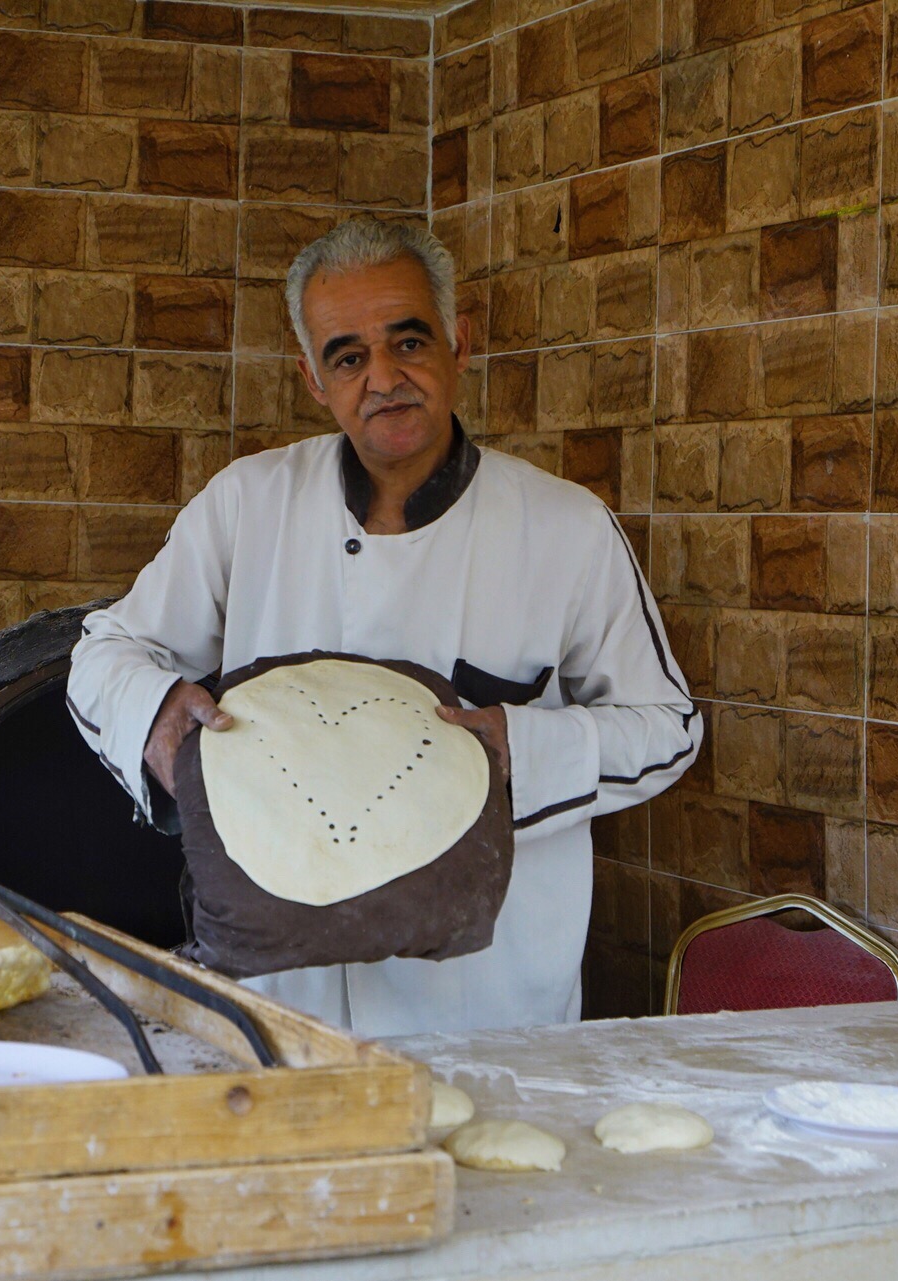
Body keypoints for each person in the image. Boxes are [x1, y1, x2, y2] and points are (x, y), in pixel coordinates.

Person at [65, 220, 700, 1037]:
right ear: (312, 378)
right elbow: (104, 653)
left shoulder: (566, 528)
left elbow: (669, 728)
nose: (385, 378)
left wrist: (523, 751)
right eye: (348, 356)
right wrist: (153, 715)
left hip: (491, 1002)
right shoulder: (246, 505)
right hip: (284, 1001)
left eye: (408, 340)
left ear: (459, 343)